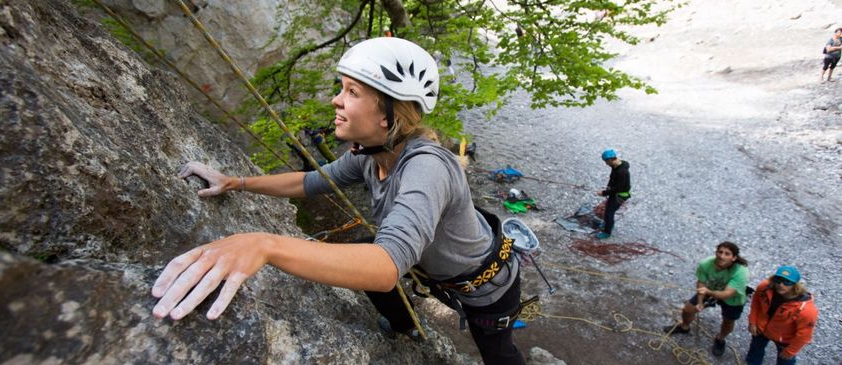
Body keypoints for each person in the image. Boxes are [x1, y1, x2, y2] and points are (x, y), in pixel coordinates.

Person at [149, 37, 525, 365]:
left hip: (487, 289)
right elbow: (311, 181)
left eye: (352, 92)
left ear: (388, 115)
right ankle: (405, 327)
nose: (335, 99)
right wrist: (237, 182)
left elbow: (385, 266)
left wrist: (263, 245)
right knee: (361, 250)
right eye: (341, 88)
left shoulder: (427, 167)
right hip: (433, 267)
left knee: (497, 352)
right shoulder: (369, 154)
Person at [663, 242, 749, 357]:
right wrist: (699, 303)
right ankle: (684, 327)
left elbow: (726, 294)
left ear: (734, 258)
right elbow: (701, 283)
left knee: (728, 321)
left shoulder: (741, 271)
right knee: (688, 309)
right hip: (711, 289)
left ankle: (720, 339)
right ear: (716, 252)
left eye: (727, 254)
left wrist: (708, 292)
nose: (722, 256)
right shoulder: (706, 264)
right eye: (720, 252)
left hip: (733, 298)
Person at [745, 266, 818, 365]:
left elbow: (804, 335)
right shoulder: (764, 287)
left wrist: (791, 351)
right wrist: (753, 321)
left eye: (786, 282)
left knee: (785, 361)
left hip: (785, 340)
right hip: (761, 328)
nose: (781, 285)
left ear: (795, 285)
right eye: (778, 280)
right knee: (755, 350)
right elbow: (756, 302)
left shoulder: (806, 310)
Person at [596, 148, 630, 239]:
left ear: (611, 160)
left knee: (609, 212)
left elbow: (618, 188)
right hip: (615, 193)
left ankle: (607, 232)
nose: (606, 164)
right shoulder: (615, 165)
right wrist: (608, 187)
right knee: (608, 210)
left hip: (620, 195)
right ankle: (608, 224)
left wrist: (604, 193)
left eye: (606, 162)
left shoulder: (622, 172)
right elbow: (612, 179)